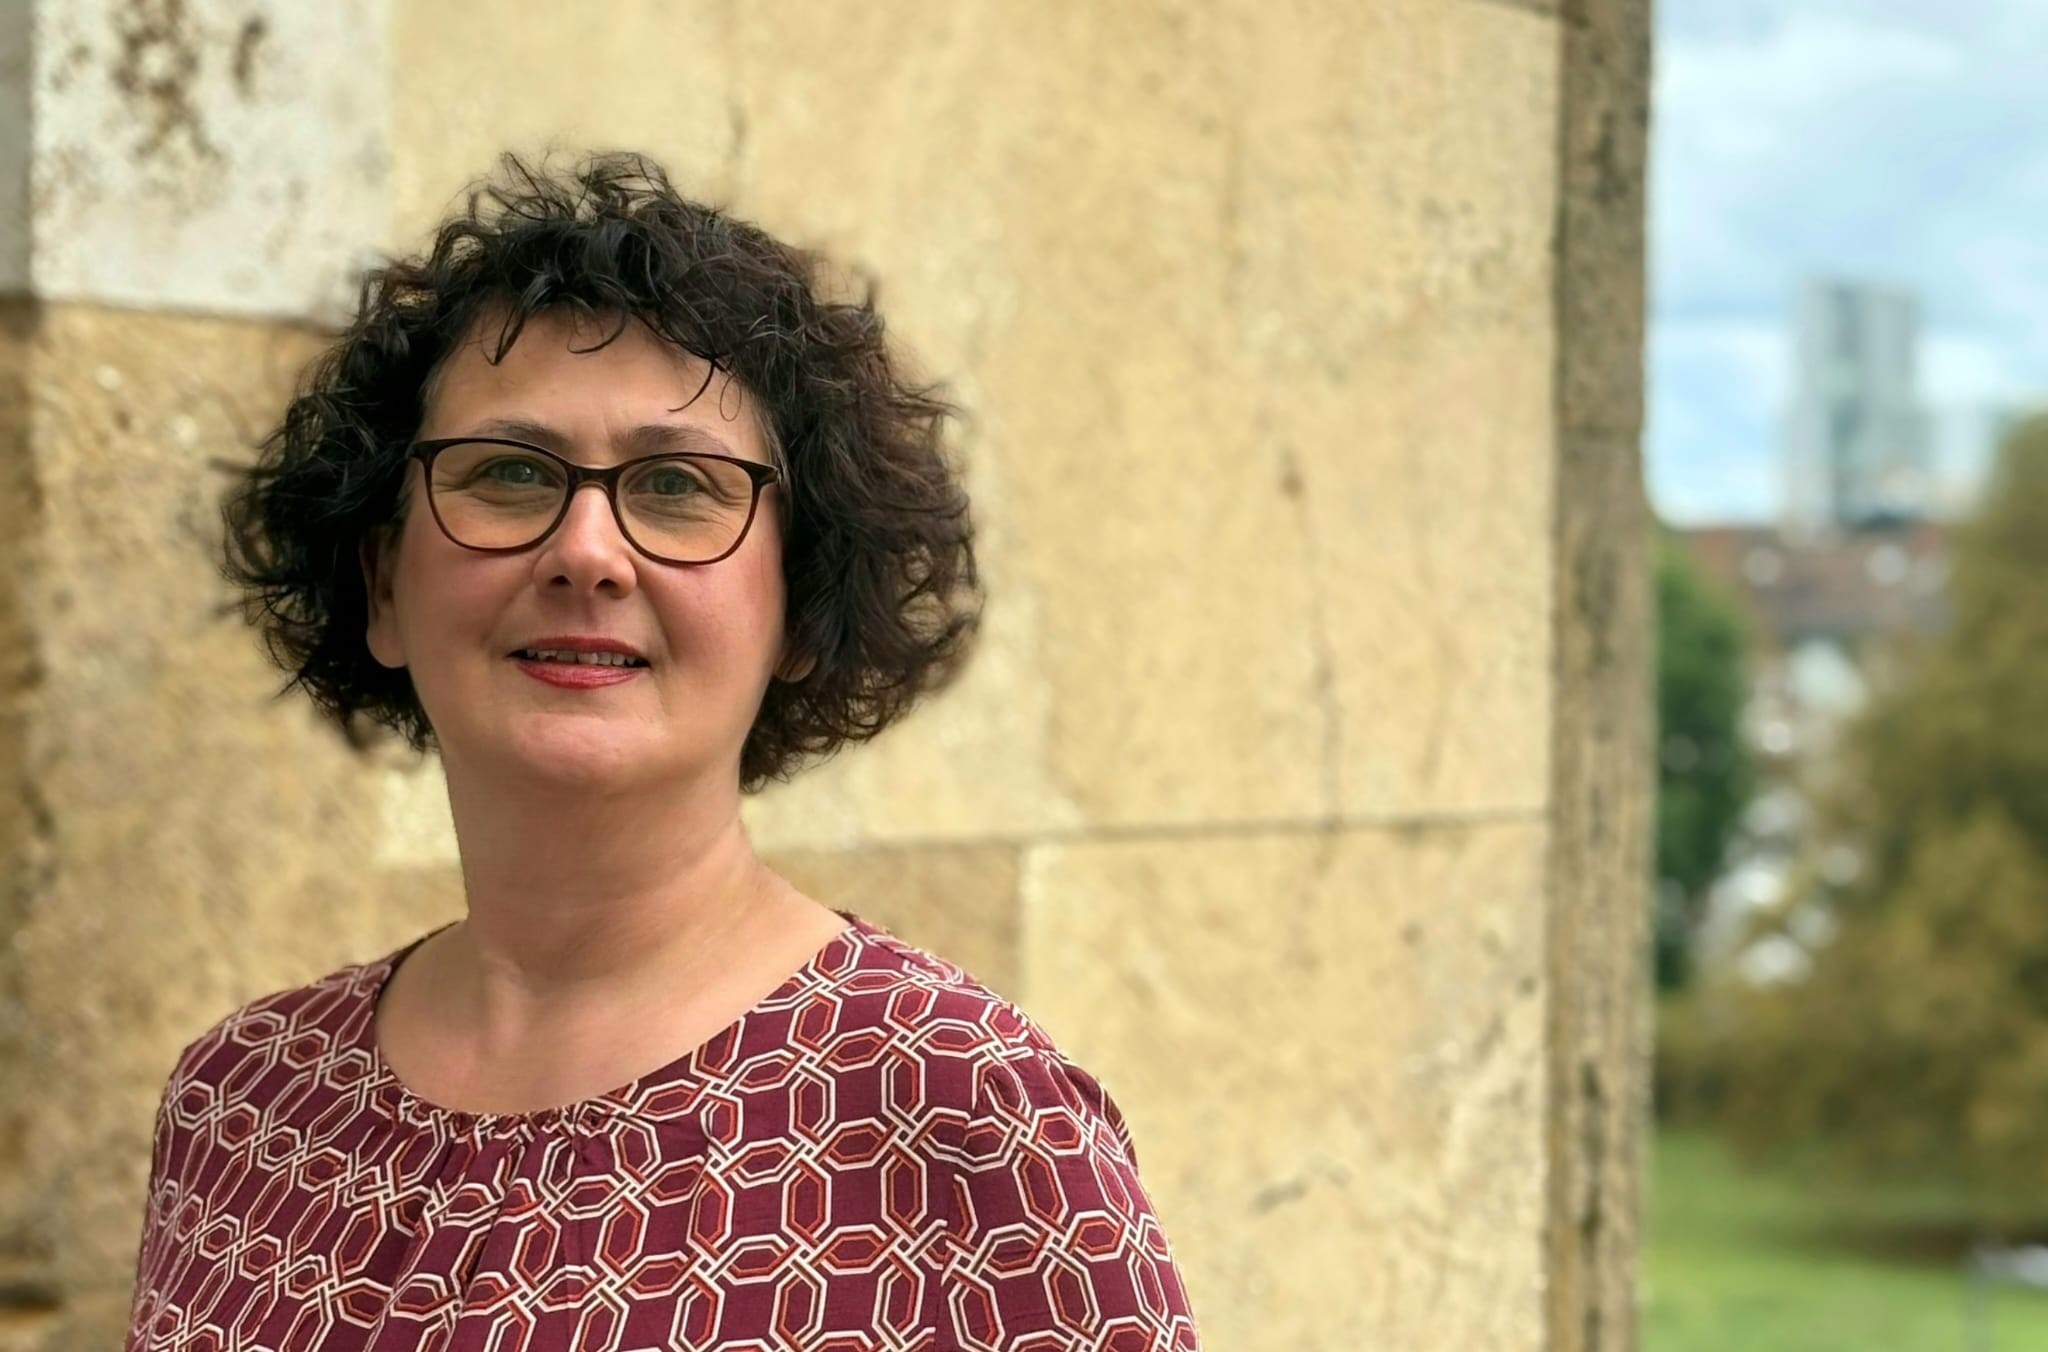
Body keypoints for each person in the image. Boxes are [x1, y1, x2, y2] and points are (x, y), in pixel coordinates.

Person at [124, 153, 1201, 1350]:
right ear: (382, 582)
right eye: (509, 473)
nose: (586, 551)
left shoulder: (965, 1119)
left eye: (678, 485)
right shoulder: (243, 1099)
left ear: (799, 604)